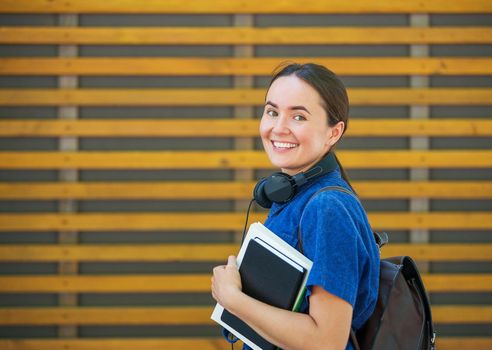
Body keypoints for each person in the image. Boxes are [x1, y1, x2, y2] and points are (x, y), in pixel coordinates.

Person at [211, 63, 380, 350]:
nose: (278, 128)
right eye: (272, 112)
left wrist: (233, 299)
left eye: (298, 116)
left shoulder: (328, 208)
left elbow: (326, 342)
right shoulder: (296, 195)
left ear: (333, 132)